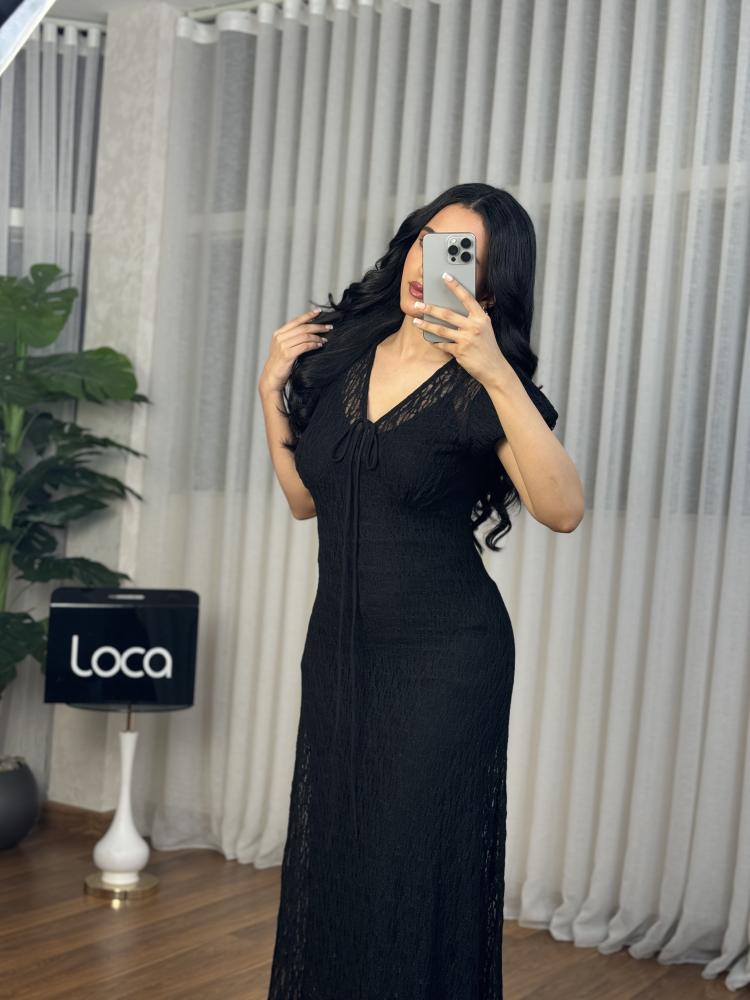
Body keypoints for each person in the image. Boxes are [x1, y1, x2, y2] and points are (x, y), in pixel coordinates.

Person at [258, 182, 584, 999]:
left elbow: (563, 510)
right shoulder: (341, 362)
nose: (423, 262)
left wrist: (495, 370)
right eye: (424, 238)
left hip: (446, 662)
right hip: (340, 653)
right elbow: (305, 501)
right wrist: (270, 392)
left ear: (488, 287)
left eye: (455, 252)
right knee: (341, 853)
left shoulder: (481, 387)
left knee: (408, 864)